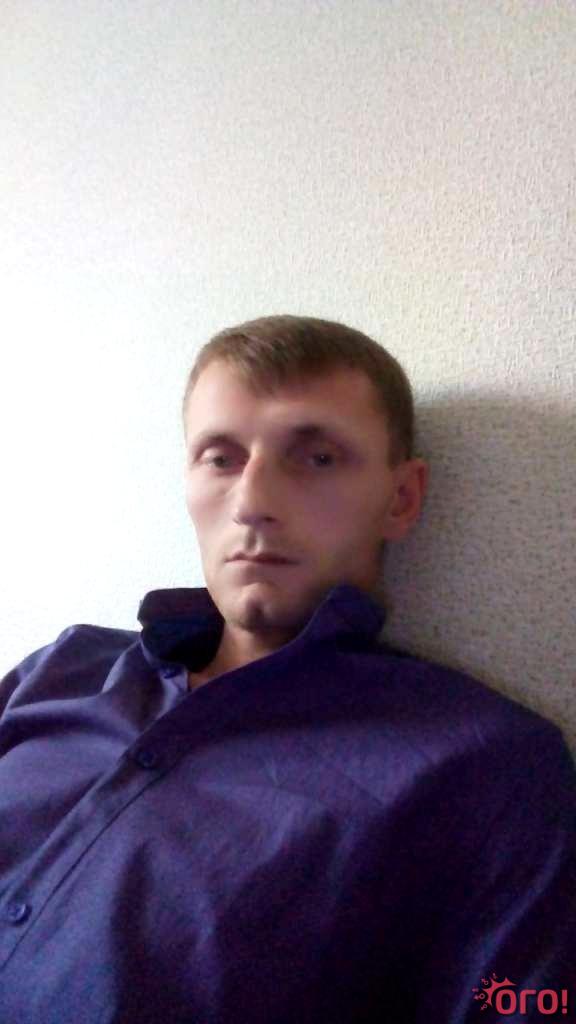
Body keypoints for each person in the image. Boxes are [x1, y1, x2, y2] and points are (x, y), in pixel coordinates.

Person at [0, 315, 574, 1024]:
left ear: (401, 498)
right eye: (221, 458)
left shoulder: (487, 767)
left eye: (318, 458)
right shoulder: (61, 669)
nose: (252, 504)